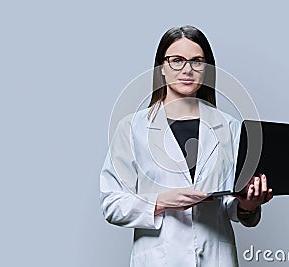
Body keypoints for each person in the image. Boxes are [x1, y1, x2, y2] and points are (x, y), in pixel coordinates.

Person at [100, 25, 273, 267]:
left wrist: (248, 205)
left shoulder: (230, 128)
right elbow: (112, 204)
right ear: (162, 67)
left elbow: (229, 205)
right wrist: (161, 201)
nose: (187, 70)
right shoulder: (132, 128)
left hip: (215, 258)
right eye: (177, 60)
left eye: (197, 61)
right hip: (159, 259)